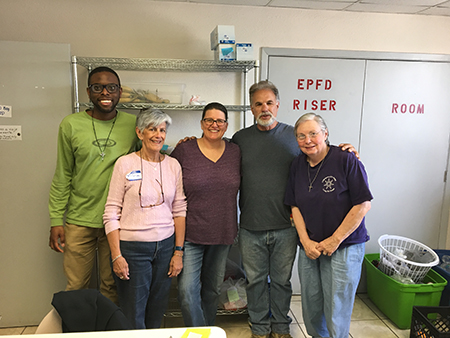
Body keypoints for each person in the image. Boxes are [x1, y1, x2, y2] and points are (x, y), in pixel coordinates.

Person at [231, 80, 358, 338]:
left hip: (286, 227)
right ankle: (259, 327)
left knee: (281, 282)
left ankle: (280, 326)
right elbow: (218, 154)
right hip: (250, 226)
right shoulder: (240, 139)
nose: (264, 108)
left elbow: (321, 153)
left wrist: (346, 150)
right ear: (251, 107)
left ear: (277, 105)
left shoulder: (295, 136)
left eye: (269, 103)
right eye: (258, 104)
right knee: (255, 282)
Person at [48, 66, 138, 304]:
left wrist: (184, 144)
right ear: (89, 92)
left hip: (118, 222)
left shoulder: (133, 125)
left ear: (120, 92)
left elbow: (151, 156)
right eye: (98, 87)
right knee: (76, 287)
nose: (105, 93)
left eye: (112, 87)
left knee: (113, 286)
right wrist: (56, 219)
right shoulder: (70, 124)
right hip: (79, 220)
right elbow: (63, 174)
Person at [284, 113, 372, 338]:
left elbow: (362, 205)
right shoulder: (297, 165)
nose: (308, 140)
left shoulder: (345, 159)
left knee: (336, 308)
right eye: (301, 136)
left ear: (325, 134)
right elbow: (294, 206)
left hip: (344, 246)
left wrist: (334, 240)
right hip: (311, 247)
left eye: (313, 133)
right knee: (311, 305)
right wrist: (305, 242)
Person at [103, 108, 187, 329]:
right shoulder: (124, 164)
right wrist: (116, 255)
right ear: (140, 133)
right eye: (152, 129)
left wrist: (178, 251)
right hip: (133, 249)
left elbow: (179, 209)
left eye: (162, 130)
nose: (158, 135)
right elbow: (111, 211)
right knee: (134, 311)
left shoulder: (173, 165)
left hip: (166, 247)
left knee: (158, 309)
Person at [170, 102, 241, 326]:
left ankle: (207, 329)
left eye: (219, 121)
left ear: (226, 125)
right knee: (187, 291)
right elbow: (167, 179)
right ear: (201, 123)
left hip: (222, 233)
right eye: (209, 120)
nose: (214, 124)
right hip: (190, 235)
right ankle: (199, 332)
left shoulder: (235, 152)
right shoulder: (185, 150)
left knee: (211, 290)